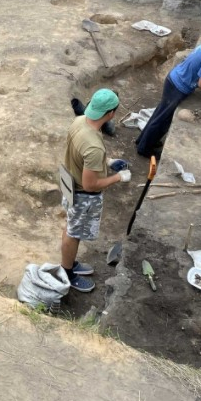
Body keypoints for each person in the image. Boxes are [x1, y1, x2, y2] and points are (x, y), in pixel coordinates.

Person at [57, 88, 131, 293]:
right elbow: (90, 185)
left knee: (70, 227)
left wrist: (107, 162)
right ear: (111, 114)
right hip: (82, 193)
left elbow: (81, 154)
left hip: (69, 181)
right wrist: (118, 177)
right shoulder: (94, 147)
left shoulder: (79, 121)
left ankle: (69, 263)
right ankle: (67, 272)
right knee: (73, 233)